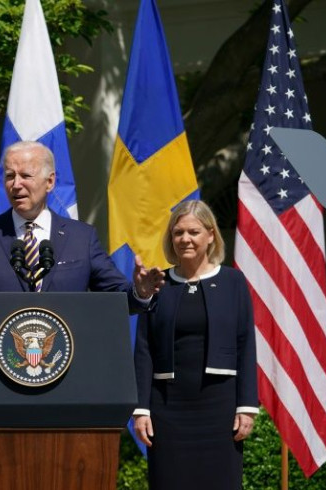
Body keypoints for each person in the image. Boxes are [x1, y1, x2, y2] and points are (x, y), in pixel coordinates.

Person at [0, 140, 164, 313]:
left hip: (66, 367)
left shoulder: (81, 237)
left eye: (26, 176)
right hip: (2, 367)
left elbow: (117, 297)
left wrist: (140, 292)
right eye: (10, 176)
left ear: (50, 182)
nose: (16, 184)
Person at [133, 199, 258, 489]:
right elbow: (144, 348)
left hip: (220, 409)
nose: (185, 239)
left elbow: (245, 343)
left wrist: (247, 405)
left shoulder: (233, 282)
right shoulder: (158, 283)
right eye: (178, 233)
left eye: (194, 232)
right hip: (167, 409)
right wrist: (141, 409)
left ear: (211, 235)